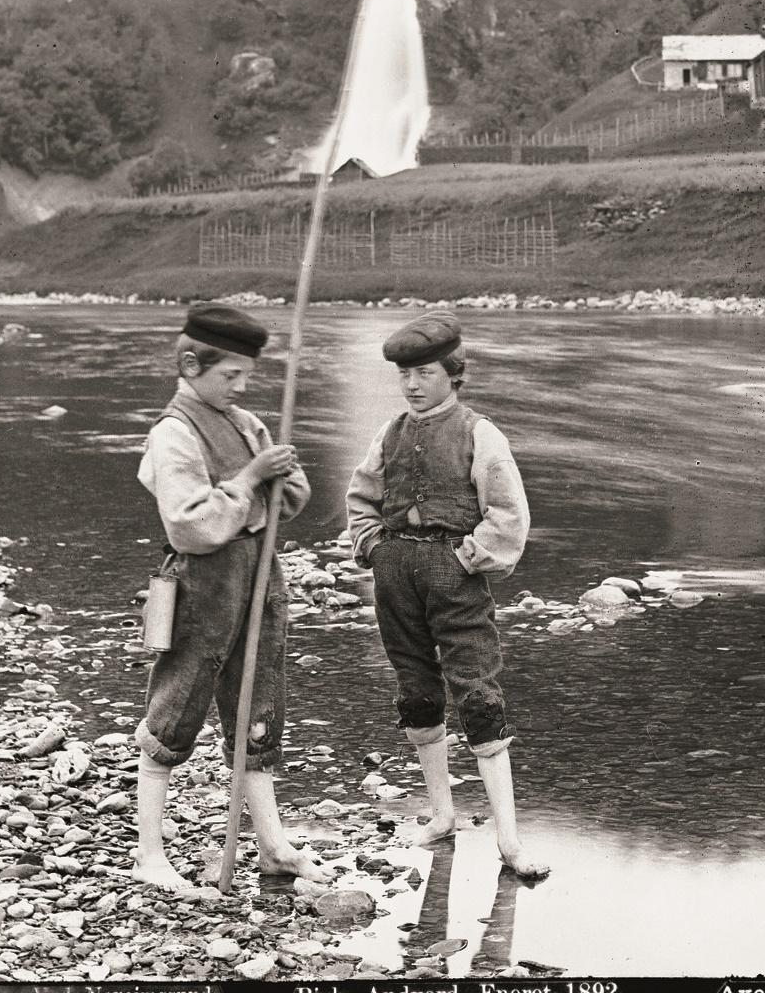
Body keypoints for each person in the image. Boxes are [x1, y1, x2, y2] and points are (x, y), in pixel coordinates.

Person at [133, 302, 329, 895]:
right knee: (176, 710)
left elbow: (288, 506)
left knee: (259, 710)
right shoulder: (173, 433)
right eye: (230, 376)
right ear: (191, 364)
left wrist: (282, 477)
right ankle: (149, 854)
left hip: (259, 581)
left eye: (246, 375)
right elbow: (188, 525)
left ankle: (271, 846)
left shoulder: (246, 425)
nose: (241, 387)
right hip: (202, 588)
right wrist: (248, 482)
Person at [346, 311, 548, 880]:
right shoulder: (388, 434)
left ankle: (509, 840)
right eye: (405, 374)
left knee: (478, 694)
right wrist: (373, 547)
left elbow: (509, 512)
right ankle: (441, 815)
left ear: (453, 374)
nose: (412, 385)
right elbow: (360, 496)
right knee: (415, 690)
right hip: (394, 573)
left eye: (425, 373)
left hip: (454, 572)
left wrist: (467, 558)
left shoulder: (480, 433)